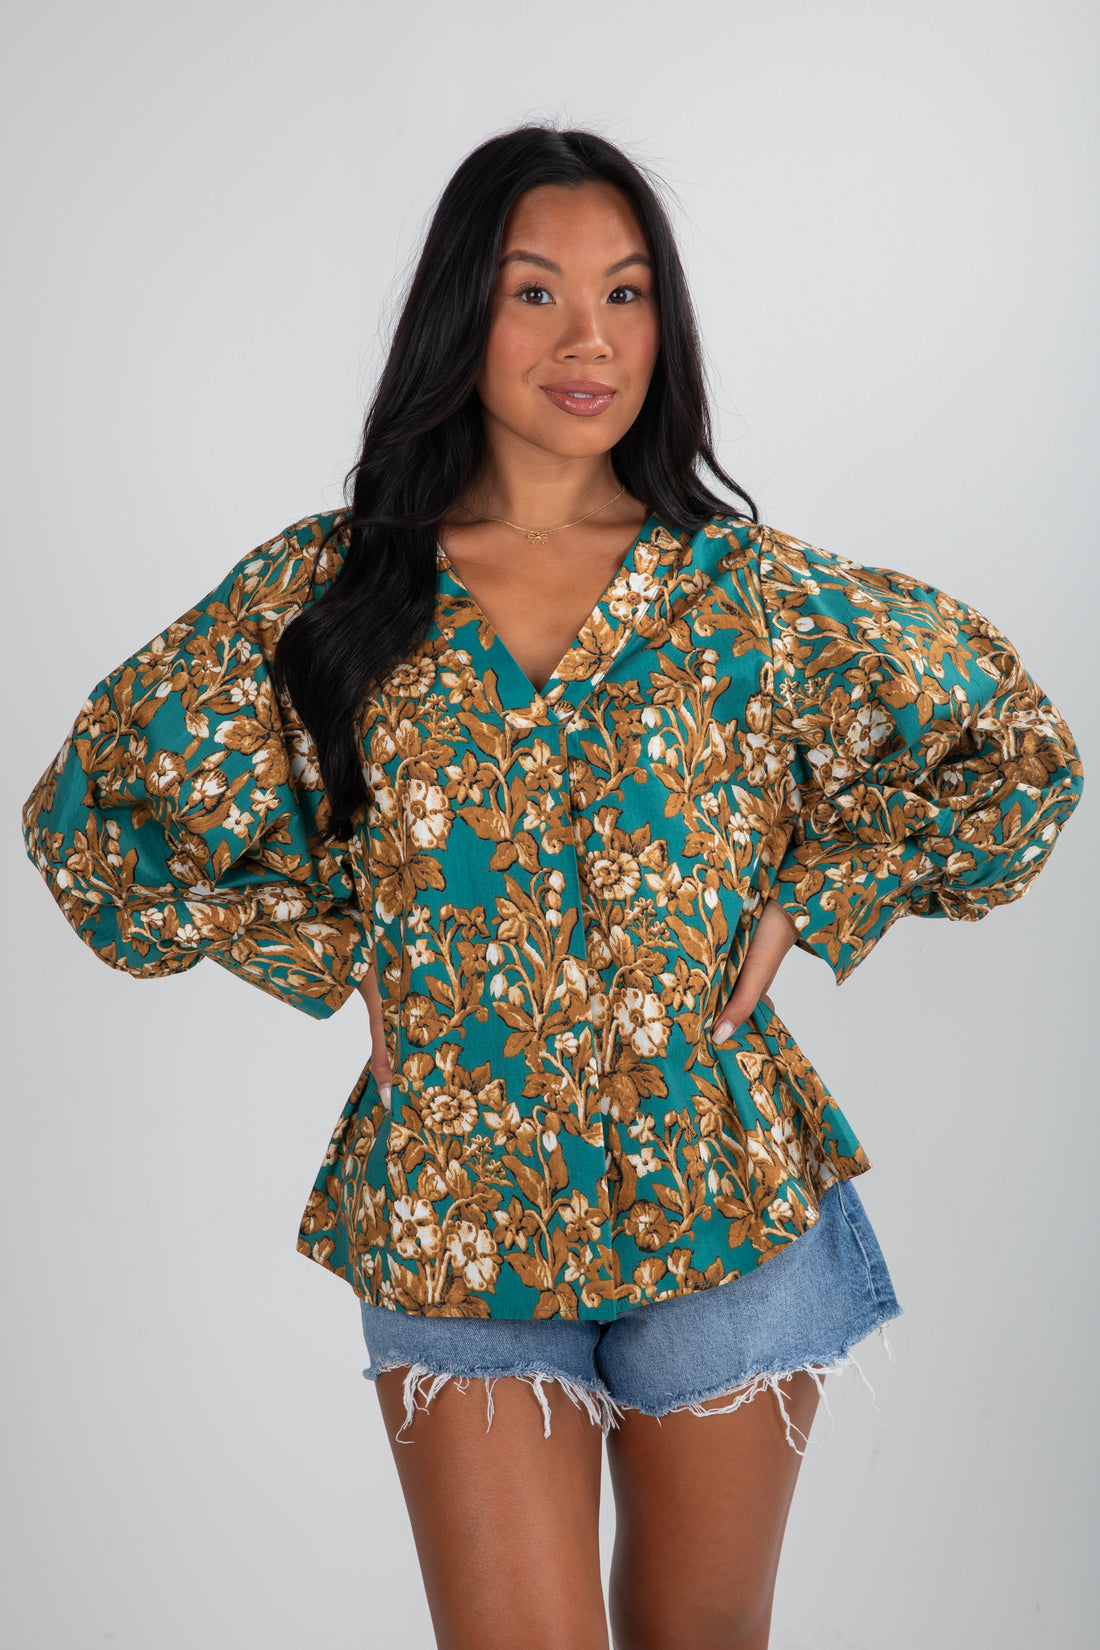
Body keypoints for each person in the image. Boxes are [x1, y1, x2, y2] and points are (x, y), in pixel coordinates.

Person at [21, 124, 1083, 1650]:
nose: (592, 338)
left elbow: (1020, 747)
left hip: (720, 1196)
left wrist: (815, 898)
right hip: (457, 1206)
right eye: (537, 293)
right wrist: (343, 949)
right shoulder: (339, 589)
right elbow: (95, 812)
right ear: (464, 313)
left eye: (629, 292)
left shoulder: (754, 595)